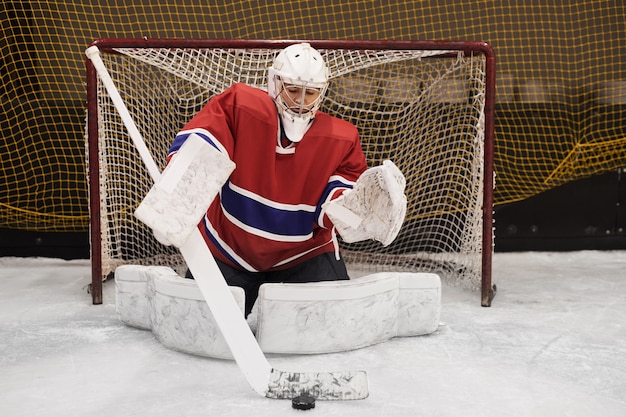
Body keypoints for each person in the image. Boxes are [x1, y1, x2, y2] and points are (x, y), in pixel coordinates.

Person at [161, 43, 404, 317]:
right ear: (275, 84)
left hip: (302, 255)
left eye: (310, 93)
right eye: (294, 90)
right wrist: (181, 183)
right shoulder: (240, 107)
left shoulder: (342, 138)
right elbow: (206, 139)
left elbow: (333, 204)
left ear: (321, 93)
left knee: (335, 323)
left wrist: (356, 208)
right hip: (229, 250)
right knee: (196, 323)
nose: (301, 101)